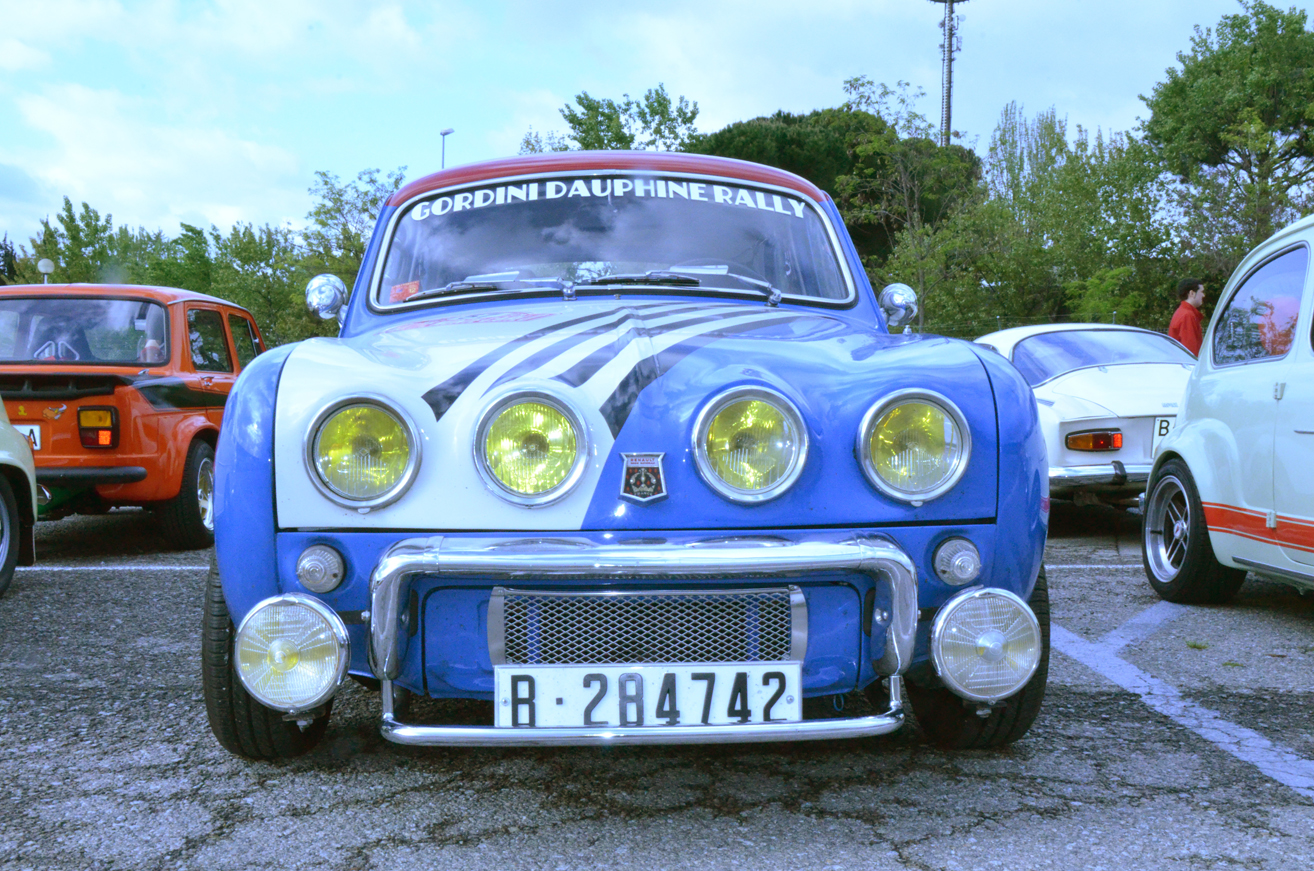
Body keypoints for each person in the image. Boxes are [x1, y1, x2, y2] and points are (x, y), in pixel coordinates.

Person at [1168, 278, 1206, 355]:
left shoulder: (1182, 312)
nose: (1203, 295)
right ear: (1192, 293)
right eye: (1201, 292)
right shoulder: (1187, 316)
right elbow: (1191, 352)